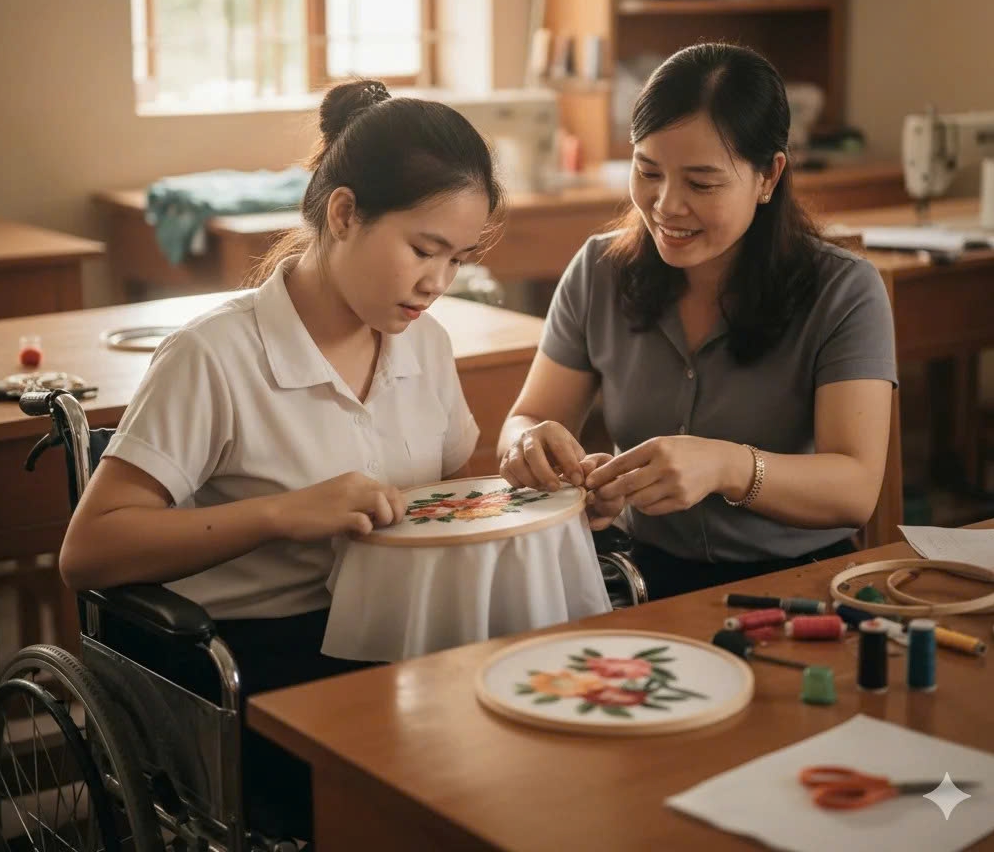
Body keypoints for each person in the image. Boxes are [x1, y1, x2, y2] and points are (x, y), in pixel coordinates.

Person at [59, 78, 504, 839]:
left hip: (400, 633)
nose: (438, 282)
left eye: (458, 259)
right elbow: (88, 552)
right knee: (425, 788)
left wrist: (535, 490)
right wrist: (279, 515)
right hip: (260, 658)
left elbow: (454, 488)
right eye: (423, 250)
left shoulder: (423, 341)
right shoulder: (215, 355)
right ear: (343, 213)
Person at [498, 42, 896, 601]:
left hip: (799, 582)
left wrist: (728, 467)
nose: (665, 205)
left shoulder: (843, 290)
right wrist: (535, 450)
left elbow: (855, 489)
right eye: (647, 171)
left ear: (768, 176)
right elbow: (530, 418)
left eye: (701, 183)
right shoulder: (599, 271)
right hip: (640, 579)